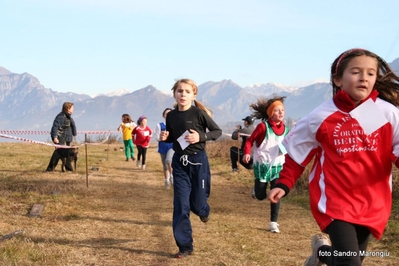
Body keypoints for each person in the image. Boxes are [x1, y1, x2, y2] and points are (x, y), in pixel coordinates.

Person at [268, 48, 399, 266]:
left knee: (348, 258)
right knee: (350, 263)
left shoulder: (384, 112)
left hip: (372, 201)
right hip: (334, 200)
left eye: (370, 73)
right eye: (356, 72)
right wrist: (284, 182)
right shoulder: (320, 116)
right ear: (338, 80)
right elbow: (297, 154)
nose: (363, 78)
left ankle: (321, 253)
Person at [160, 78, 222, 259]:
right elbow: (173, 137)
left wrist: (200, 137)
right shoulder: (171, 115)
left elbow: (216, 132)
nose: (183, 94)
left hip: (198, 163)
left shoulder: (199, 114)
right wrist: (166, 137)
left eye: (187, 91)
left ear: (194, 94)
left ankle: (204, 211)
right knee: (180, 204)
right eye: (180, 91)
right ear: (174, 94)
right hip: (179, 164)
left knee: (197, 204)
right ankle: (185, 246)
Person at [242, 96, 289, 233]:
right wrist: (246, 153)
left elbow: (288, 145)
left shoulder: (286, 129)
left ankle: (273, 222)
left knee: (276, 194)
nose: (280, 113)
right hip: (262, 166)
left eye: (282, 110)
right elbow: (250, 141)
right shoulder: (263, 127)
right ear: (270, 113)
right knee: (261, 195)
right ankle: (256, 191)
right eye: (277, 110)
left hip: (278, 167)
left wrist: (286, 152)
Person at [46, 102, 77, 171]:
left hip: (65, 137)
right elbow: (55, 127)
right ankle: (50, 169)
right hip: (59, 137)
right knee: (58, 153)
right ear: (68, 109)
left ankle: (67, 168)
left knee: (66, 152)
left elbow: (70, 126)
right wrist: (55, 137)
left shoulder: (67, 117)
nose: (73, 109)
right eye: (72, 108)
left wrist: (73, 134)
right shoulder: (61, 117)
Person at [155, 108, 174, 190]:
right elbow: (156, 137)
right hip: (163, 146)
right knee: (165, 165)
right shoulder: (160, 125)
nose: (168, 115)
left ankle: (173, 177)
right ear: (164, 115)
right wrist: (162, 137)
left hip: (172, 146)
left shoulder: (175, 124)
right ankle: (166, 181)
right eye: (166, 113)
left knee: (168, 160)